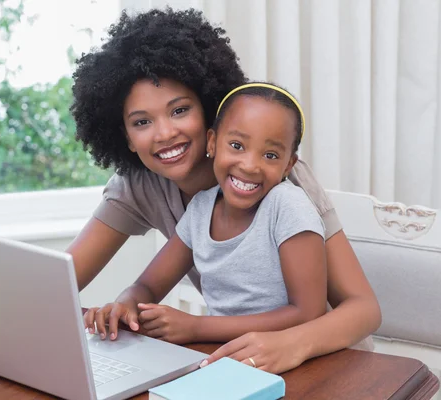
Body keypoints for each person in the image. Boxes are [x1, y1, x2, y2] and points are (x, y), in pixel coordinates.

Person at [68, 8, 381, 373]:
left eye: (180, 110)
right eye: (142, 121)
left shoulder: (279, 184)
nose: (165, 133)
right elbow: (62, 280)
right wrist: (126, 304)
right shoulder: (149, 187)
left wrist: (294, 343)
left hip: (331, 361)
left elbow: (363, 309)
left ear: (209, 110)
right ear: (125, 136)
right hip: (237, 361)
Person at [84, 82, 329, 356]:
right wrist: (126, 305)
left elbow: (308, 312)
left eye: (270, 155)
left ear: (288, 165)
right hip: (228, 357)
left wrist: (197, 327)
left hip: (294, 361)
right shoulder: (201, 209)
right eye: (237, 145)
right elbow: (148, 286)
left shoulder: (287, 206)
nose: (249, 165)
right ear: (212, 143)